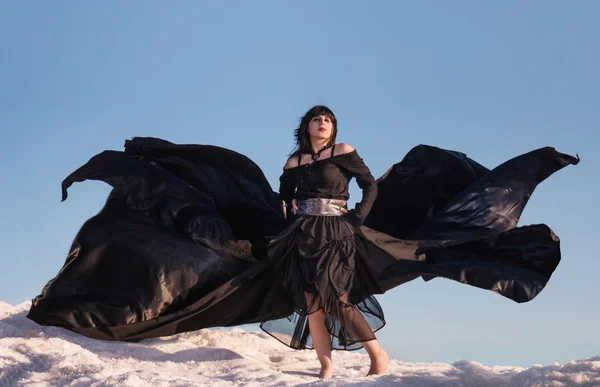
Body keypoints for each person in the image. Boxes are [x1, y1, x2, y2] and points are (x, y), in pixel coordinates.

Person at [261, 105, 388, 378]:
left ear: (333, 128)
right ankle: (326, 367)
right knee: (312, 304)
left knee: (336, 299)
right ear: (307, 126)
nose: (322, 122)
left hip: (335, 232)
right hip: (304, 233)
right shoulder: (295, 162)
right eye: (316, 119)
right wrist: (291, 205)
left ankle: (378, 355)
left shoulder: (342, 151)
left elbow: (370, 184)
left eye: (328, 119)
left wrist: (357, 217)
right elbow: (283, 195)